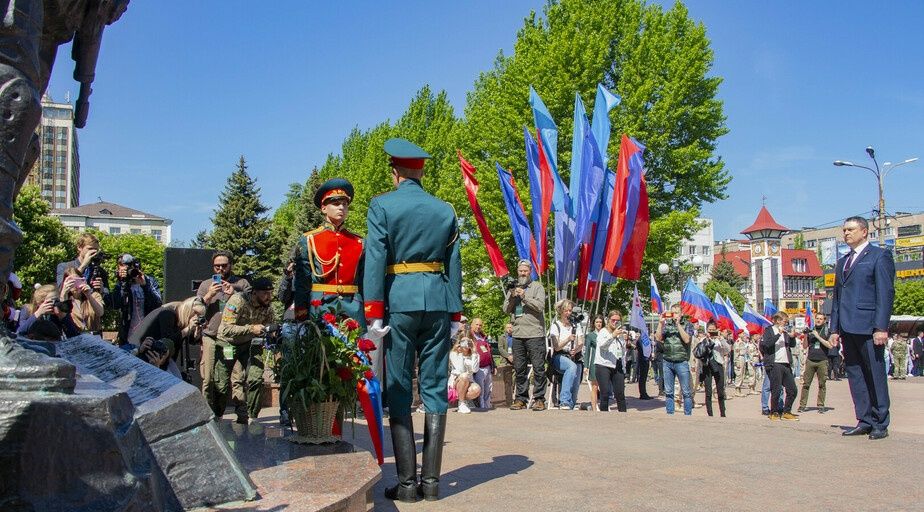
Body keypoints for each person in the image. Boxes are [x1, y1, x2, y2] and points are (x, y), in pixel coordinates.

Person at [363, 138, 463, 503]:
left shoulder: (382, 206)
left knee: (401, 385)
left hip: (399, 301)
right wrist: (455, 311)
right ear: (420, 172)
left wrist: (373, 311)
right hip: (437, 300)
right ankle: (433, 484)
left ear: (395, 172)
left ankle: (407, 485)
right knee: (436, 384)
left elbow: (375, 259)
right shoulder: (444, 209)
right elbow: (454, 264)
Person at [829, 217, 895, 440]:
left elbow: (885, 293)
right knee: (855, 375)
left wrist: (881, 326)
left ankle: (880, 422)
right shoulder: (842, 262)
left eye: (851, 229)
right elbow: (837, 298)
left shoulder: (879, 256)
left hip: (869, 327)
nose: (846, 233)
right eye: (844, 230)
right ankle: (864, 420)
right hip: (847, 327)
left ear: (864, 232)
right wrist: (834, 329)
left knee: (875, 375)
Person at [293, 177, 367, 340]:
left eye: (345, 204)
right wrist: (301, 315)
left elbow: (363, 282)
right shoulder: (309, 240)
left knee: (356, 361)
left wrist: (368, 311)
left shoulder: (359, 242)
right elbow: (302, 282)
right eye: (335, 203)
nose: (341, 207)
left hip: (353, 309)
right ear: (324, 208)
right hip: (321, 308)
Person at [214, 277, 276, 424]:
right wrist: (251, 328)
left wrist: (273, 332)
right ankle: (217, 415)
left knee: (256, 377)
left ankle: (250, 416)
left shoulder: (268, 308)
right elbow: (226, 328)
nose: (268, 297)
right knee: (221, 383)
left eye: (270, 293)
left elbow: (271, 325)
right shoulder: (238, 301)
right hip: (227, 343)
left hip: (250, 344)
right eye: (265, 293)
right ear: (254, 293)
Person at [197, 250, 250, 416]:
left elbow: (253, 306)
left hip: (232, 339)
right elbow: (196, 310)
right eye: (216, 266)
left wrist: (235, 294)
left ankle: (241, 412)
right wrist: (209, 296)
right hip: (211, 337)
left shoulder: (241, 283)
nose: (220, 269)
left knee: (236, 377)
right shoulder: (206, 284)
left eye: (224, 265)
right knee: (208, 378)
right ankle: (209, 415)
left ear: (231, 265)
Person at [504, 259, 547, 412]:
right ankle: (521, 398)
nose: (522, 273)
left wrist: (524, 296)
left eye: (525, 271)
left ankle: (539, 399)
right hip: (517, 334)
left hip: (535, 334)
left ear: (530, 272)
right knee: (519, 368)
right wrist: (512, 295)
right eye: (520, 271)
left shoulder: (537, 287)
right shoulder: (513, 287)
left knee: (538, 368)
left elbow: (540, 306)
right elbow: (506, 310)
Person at [128, 297, 207, 378]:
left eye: (199, 315)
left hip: (162, 359)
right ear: (188, 309)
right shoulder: (168, 314)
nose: (196, 317)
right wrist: (187, 330)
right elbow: (168, 340)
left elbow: (190, 341)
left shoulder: (182, 320)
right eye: (195, 313)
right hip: (147, 355)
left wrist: (196, 333)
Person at [109, 254, 162, 346]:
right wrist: (122, 282)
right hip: (127, 336)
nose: (127, 271)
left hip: (148, 334)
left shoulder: (149, 280)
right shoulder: (122, 284)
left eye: (129, 267)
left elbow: (157, 304)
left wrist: (145, 286)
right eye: (123, 268)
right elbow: (115, 304)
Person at [760, 312, 799, 421]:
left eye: (786, 321)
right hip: (775, 363)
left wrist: (792, 337)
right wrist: (778, 334)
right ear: (777, 320)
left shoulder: (785, 332)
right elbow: (766, 344)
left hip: (786, 363)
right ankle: (774, 412)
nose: (785, 323)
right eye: (784, 321)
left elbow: (792, 345)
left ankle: (787, 411)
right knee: (776, 389)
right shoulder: (769, 330)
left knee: (792, 389)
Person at [655, 304, 693, 415]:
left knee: (686, 391)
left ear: (682, 313)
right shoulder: (667, 325)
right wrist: (660, 323)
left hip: (681, 361)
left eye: (676, 312)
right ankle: (670, 413)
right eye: (672, 313)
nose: (674, 315)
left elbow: (686, 339)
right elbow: (658, 338)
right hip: (667, 361)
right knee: (669, 391)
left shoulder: (687, 324)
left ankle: (688, 414)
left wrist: (678, 325)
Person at [548, 299, 584, 411]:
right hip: (560, 356)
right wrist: (568, 339)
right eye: (566, 311)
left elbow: (581, 342)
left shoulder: (576, 325)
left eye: (570, 311)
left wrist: (576, 349)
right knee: (571, 367)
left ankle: (571, 403)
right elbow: (557, 346)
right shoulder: (556, 325)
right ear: (561, 311)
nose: (568, 313)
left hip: (574, 355)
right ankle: (564, 400)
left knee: (577, 370)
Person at [594, 310, 628, 412]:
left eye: (618, 321)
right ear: (608, 320)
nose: (615, 323)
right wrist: (612, 336)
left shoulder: (620, 333)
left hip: (617, 364)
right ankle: (603, 417)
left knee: (620, 394)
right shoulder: (603, 332)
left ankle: (623, 417)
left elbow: (622, 352)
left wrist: (624, 339)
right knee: (605, 394)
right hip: (603, 364)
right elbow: (602, 346)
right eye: (613, 320)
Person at [799, 313, 833, 413]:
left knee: (822, 384)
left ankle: (821, 405)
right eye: (817, 318)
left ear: (824, 320)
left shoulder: (827, 331)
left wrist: (818, 337)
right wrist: (805, 336)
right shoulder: (811, 330)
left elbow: (830, 346)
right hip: (810, 360)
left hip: (822, 360)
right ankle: (802, 405)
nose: (818, 320)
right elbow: (805, 346)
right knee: (806, 384)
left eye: (820, 319)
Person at [696, 322, 729, 417]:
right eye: (709, 330)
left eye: (713, 330)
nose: (711, 332)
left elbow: (727, 350)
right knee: (708, 391)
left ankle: (723, 413)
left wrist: (721, 339)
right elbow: (699, 353)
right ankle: (710, 413)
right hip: (707, 366)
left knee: (720, 391)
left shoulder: (719, 340)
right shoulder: (703, 340)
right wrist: (707, 340)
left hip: (718, 365)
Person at [59, 268, 104, 334]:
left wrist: (88, 295)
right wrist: (63, 293)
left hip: (94, 336)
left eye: (77, 281)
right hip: (75, 337)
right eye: (71, 281)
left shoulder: (94, 295)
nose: (75, 285)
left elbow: (100, 313)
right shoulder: (65, 300)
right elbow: (61, 315)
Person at [449, 338, 481, 414]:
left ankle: (461, 398)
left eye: (468, 342)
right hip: (456, 380)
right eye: (463, 342)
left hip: (468, 380)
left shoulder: (474, 354)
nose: (466, 344)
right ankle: (461, 403)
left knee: (477, 389)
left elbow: (475, 369)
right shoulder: (454, 354)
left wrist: (474, 352)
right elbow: (460, 370)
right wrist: (460, 353)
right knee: (464, 376)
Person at [470, 317, 494, 409]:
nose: (478, 327)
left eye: (480, 325)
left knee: (488, 388)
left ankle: (487, 406)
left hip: (487, 366)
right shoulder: (469, 336)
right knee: (481, 389)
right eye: (477, 324)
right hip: (478, 368)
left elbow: (489, 352)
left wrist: (493, 366)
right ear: (472, 325)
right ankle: (481, 408)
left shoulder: (484, 337)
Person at [583, 315, 605, 410]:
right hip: (594, 363)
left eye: (600, 322)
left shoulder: (606, 334)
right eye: (597, 322)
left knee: (604, 387)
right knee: (594, 387)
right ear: (594, 323)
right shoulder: (590, 335)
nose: (599, 324)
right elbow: (587, 351)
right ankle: (594, 408)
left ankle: (604, 406)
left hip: (604, 362)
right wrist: (586, 365)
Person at [733, 331, 757, 397]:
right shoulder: (738, 342)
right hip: (739, 358)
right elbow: (736, 353)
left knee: (742, 374)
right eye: (743, 333)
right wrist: (736, 361)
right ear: (739, 334)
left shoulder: (742, 342)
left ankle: (739, 390)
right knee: (739, 374)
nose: (744, 335)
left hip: (743, 357)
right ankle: (737, 390)